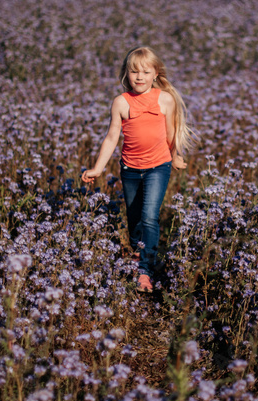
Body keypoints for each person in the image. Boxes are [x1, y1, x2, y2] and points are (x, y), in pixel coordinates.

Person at [82, 47, 195, 294]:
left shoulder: (165, 99)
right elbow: (112, 137)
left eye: (145, 71)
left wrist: (176, 156)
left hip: (158, 166)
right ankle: (136, 250)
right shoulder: (121, 102)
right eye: (134, 72)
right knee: (133, 217)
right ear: (126, 74)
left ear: (156, 73)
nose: (140, 76)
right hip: (130, 169)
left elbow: (172, 132)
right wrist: (98, 168)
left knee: (149, 217)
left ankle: (145, 269)